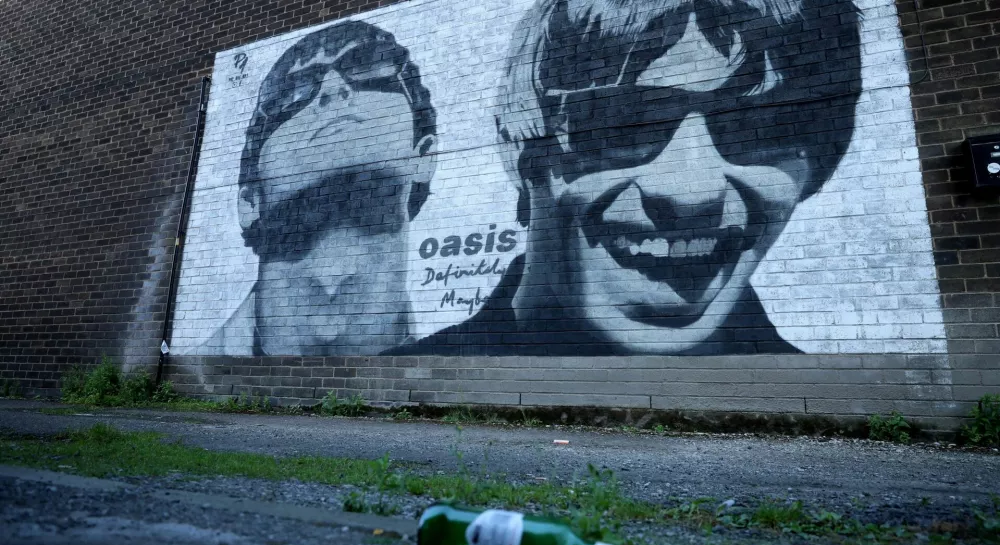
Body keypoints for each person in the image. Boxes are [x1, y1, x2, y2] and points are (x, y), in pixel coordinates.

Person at [408, 0, 862, 355]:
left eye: (761, 128)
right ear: (523, 152)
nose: (691, 190)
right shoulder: (413, 377)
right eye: (623, 123)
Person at [197, 19, 437, 356]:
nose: (333, 88)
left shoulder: (461, 355)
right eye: (294, 92)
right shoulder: (201, 367)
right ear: (250, 201)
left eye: (369, 68)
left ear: (424, 156)